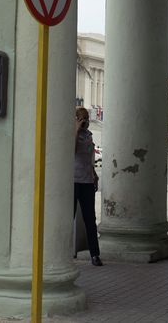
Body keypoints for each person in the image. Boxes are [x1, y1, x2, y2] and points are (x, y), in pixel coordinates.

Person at [74, 107, 102, 266]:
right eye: (81, 118)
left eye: (86, 119)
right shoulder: (71, 133)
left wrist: (94, 174)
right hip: (72, 181)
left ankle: (95, 254)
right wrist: (76, 130)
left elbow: (88, 158)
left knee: (90, 219)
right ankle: (64, 253)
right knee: (67, 218)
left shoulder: (89, 136)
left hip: (87, 181)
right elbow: (71, 151)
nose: (85, 122)